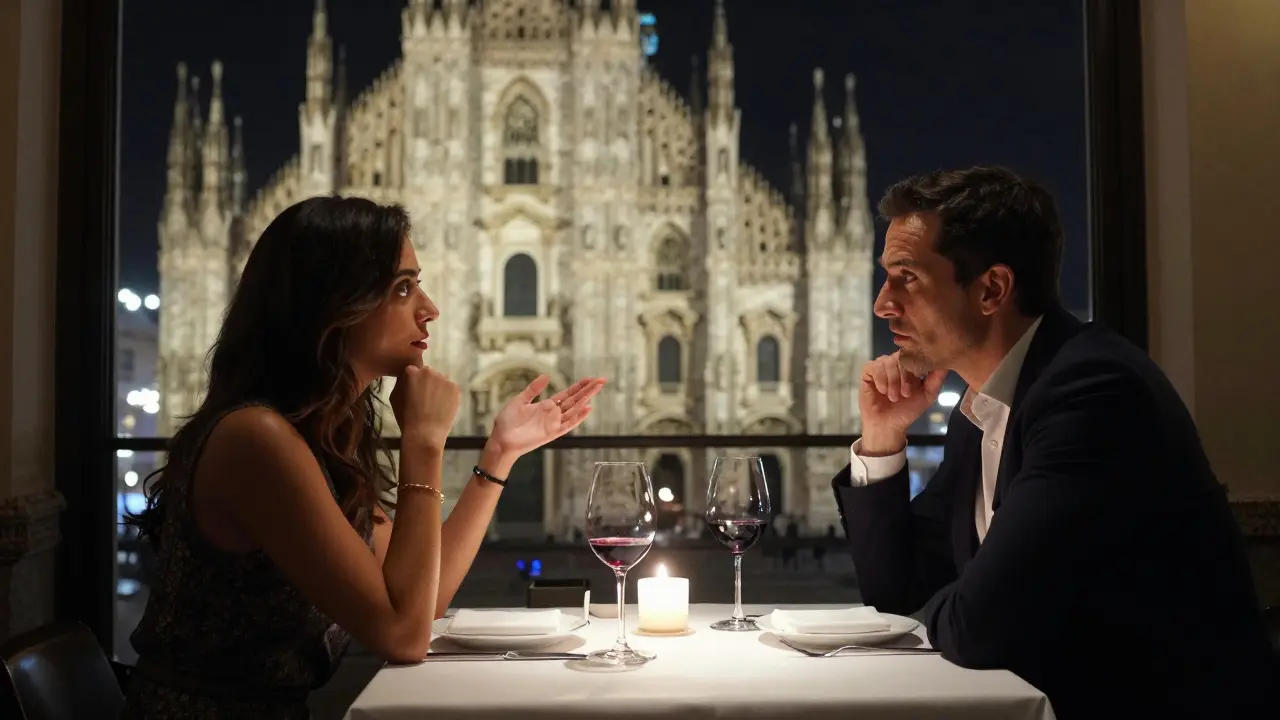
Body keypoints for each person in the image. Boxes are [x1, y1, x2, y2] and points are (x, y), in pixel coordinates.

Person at [122, 196, 604, 718]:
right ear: (334, 305)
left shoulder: (319, 436)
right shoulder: (257, 439)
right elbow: (403, 634)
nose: (430, 309)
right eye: (403, 288)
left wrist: (500, 455)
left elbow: (425, 597)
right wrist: (422, 440)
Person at [832, 166, 1276, 718]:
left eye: (908, 277)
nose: (882, 304)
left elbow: (982, 627)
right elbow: (895, 595)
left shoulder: (1092, 395)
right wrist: (880, 439)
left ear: (992, 288)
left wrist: (960, 603)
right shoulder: (982, 412)